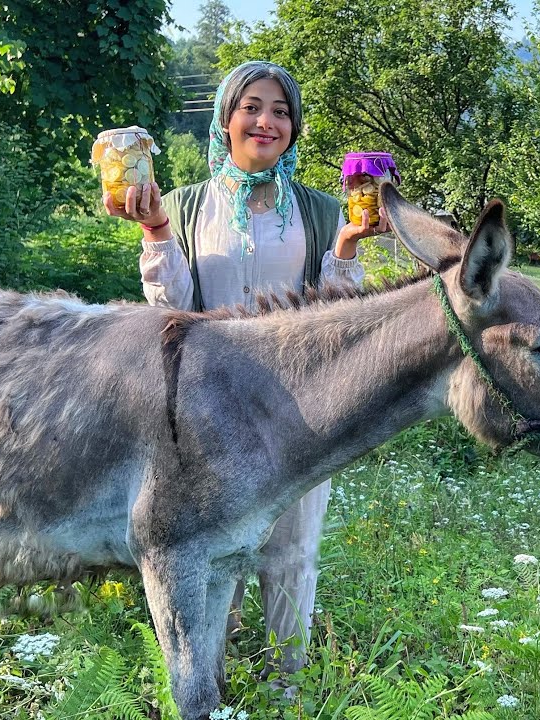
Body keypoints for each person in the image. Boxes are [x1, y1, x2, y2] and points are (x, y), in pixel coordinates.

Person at [104, 60, 384, 677]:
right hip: (211, 412)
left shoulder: (318, 213)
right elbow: (172, 309)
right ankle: (214, 687)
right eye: (252, 106)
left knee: (291, 554)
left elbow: (336, 319)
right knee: (210, 552)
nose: (267, 121)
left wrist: (346, 250)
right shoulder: (182, 206)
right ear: (226, 120)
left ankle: (287, 692)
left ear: (295, 127)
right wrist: (154, 229)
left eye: (281, 111)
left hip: (299, 412)